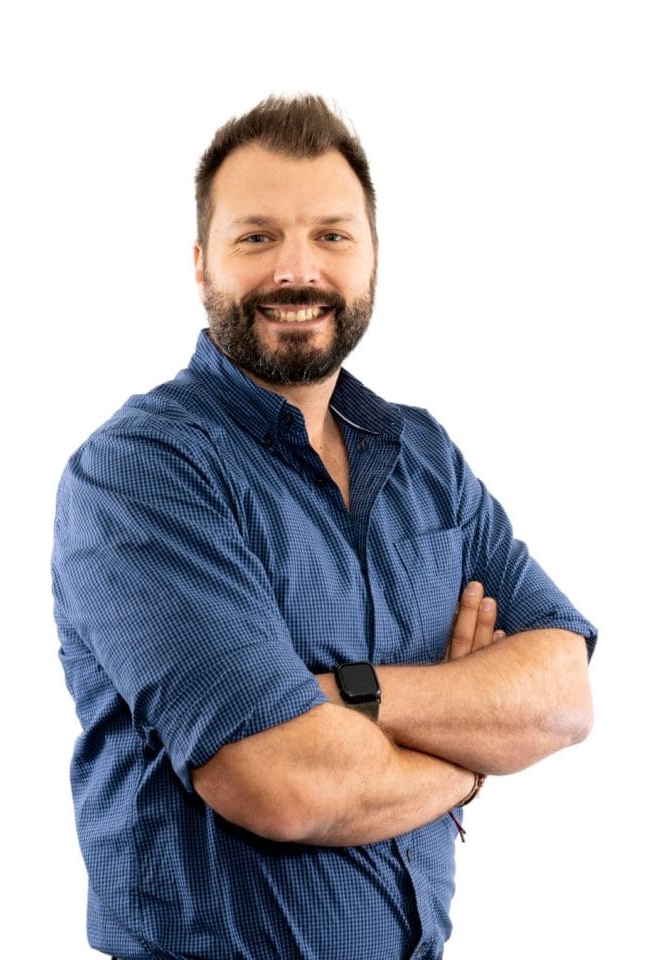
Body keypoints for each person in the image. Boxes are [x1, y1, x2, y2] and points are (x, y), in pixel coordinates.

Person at [52, 94, 596, 960]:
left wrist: (345, 697)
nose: (296, 270)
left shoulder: (424, 457)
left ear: (373, 257)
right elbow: (280, 782)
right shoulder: (144, 471)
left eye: (332, 236)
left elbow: (563, 695)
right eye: (257, 237)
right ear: (201, 263)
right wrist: (471, 755)